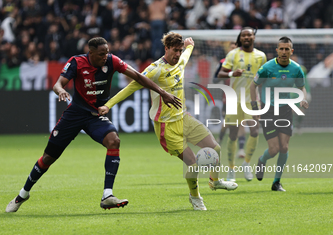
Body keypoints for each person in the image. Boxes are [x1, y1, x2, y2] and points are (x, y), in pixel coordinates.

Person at [6, 37, 182, 213]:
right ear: (91, 53)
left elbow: (137, 76)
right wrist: (60, 91)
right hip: (75, 114)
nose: (105, 56)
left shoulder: (112, 61)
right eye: (101, 53)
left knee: (114, 141)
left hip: (95, 115)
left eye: (107, 52)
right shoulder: (77, 62)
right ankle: (23, 194)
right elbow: (58, 84)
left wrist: (162, 92)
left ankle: (107, 195)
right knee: (48, 158)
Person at [104, 32, 238, 211]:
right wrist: (108, 105)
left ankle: (214, 181)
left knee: (215, 148)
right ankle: (195, 197)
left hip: (184, 118)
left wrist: (189, 45)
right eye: (175, 50)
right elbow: (131, 87)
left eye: (180, 50)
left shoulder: (181, 60)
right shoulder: (154, 69)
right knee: (192, 163)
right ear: (166, 48)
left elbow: (187, 53)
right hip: (166, 127)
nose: (178, 54)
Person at [250, 36, 309, 191]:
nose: (283, 52)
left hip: (285, 110)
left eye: (286, 49)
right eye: (281, 49)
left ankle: (276, 182)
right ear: (277, 50)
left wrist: (302, 98)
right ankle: (262, 160)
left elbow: (301, 87)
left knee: (284, 147)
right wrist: (255, 107)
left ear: (291, 51)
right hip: (268, 110)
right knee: (274, 149)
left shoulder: (296, 69)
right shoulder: (267, 68)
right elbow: (253, 85)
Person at [217, 27, 267, 182]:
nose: (246, 37)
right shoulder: (233, 54)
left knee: (254, 131)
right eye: (243, 35)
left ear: (253, 37)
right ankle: (231, 168)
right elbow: (220, 74)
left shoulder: (261, 56)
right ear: (240, 38)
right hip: (234, 99)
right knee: (233, 134)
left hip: (252, 99)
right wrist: (232, 73)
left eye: (249, 35)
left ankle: (246, 163)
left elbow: (263, 78)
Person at [213, 41, 246, 158]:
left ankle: (241, 150)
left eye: (235, 48)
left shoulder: (245, 63)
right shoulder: (223, 63)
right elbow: (214, 79)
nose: (233, 50)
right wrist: (230, 74)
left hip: (242, 98)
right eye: (231, 48)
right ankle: (218, 143)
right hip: (228, 99)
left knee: (241, 123)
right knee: (227, 123)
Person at [290, 54, 311, 134]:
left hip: (300, 93)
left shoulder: (302, 69)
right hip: (291, 94)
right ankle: (293, 127)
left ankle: (298, 125)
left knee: (301, 112)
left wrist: (308, 92)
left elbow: (306, 81)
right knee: (291, 111)